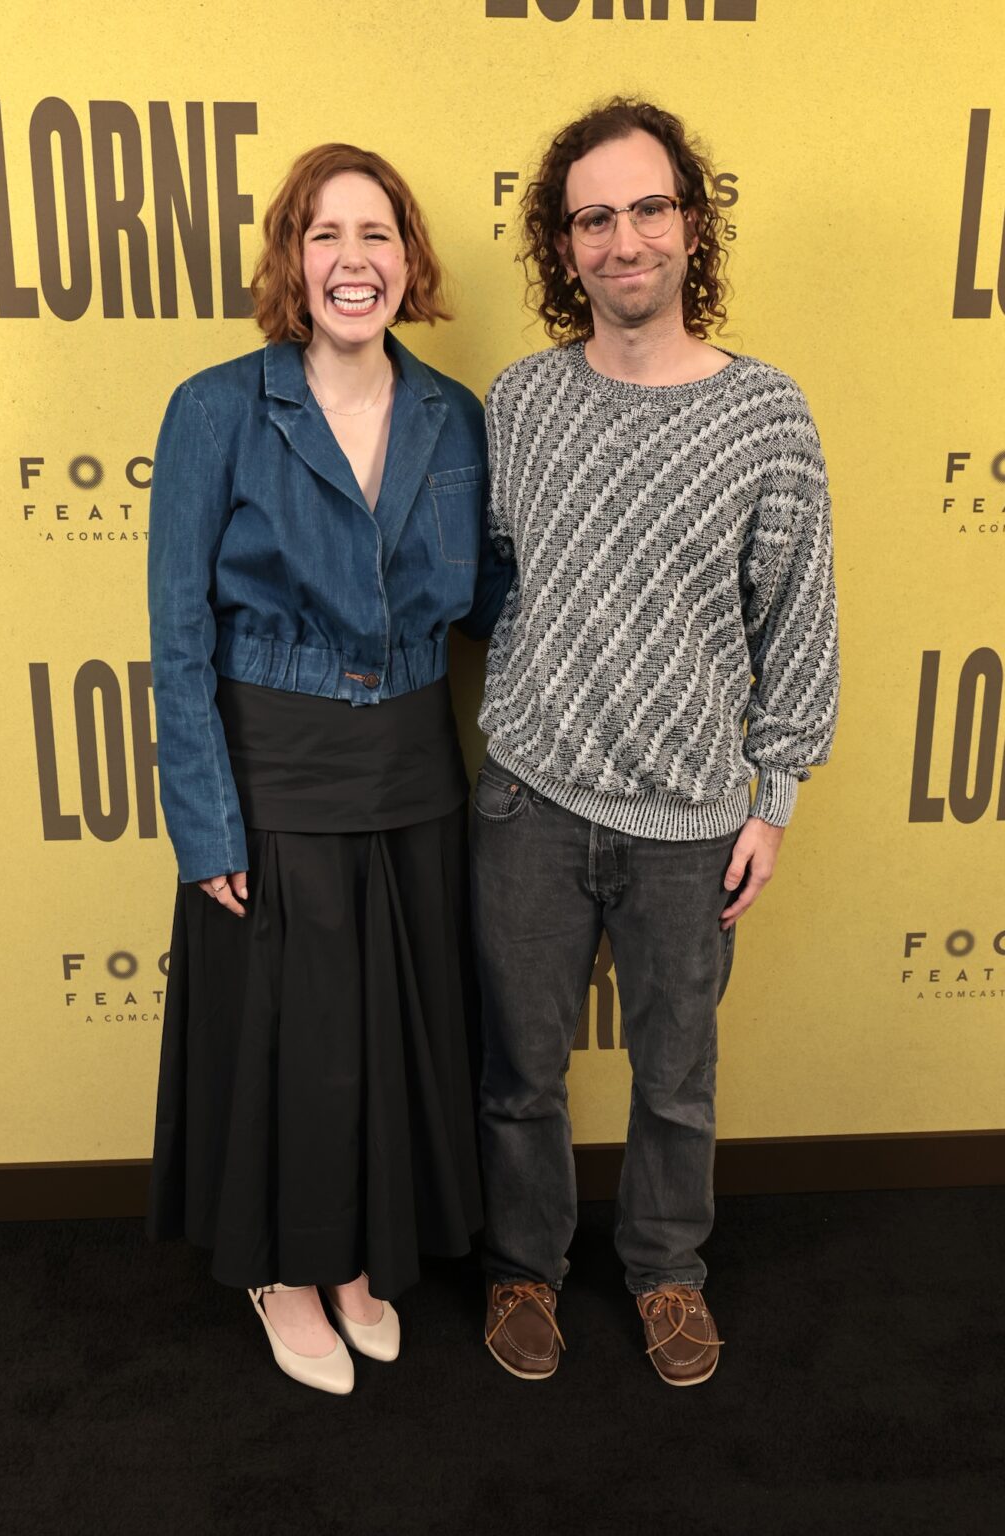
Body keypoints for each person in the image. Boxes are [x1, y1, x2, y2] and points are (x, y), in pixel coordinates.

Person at [473, 99, 839, 1386]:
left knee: (676, 1078)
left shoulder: (766, 414)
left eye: (646, 208)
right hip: (527, 797)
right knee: (518, 1069)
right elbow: (495, 573)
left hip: (691, 816)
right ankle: (523, 1267)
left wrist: (772, 798)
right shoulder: (519, 402)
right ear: (561, 245)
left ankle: (667, 1273)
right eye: (592, 218)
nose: (621, 239)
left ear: (690, 224)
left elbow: (797, 618)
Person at [146, 143, 511, 1393]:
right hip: (272, 773)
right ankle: (283, 1270)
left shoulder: (455, 416)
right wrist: (207, 826)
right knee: (291, 1042)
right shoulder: (216, 408)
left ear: (409, 259)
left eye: (376, 234)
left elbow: (494, 606)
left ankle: (356, 1257)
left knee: (388, 1039)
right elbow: (178, 634)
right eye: (325, 235)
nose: (353, 261)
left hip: (413, 773)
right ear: (291, 262)